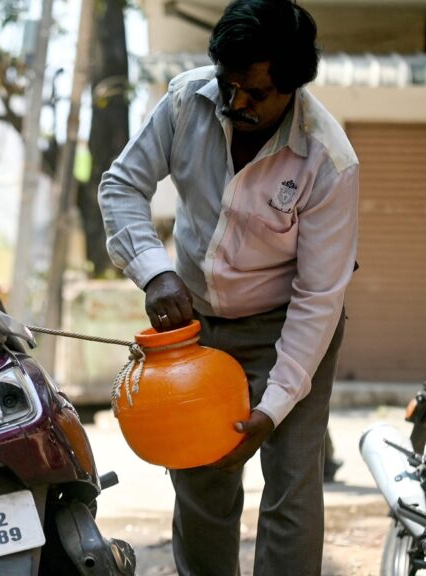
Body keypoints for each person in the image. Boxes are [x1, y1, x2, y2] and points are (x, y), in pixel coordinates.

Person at [98, 1, 358, 574]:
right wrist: (155, 270)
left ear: (292, 88)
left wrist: (272, 407)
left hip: (288, 327)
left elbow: (318, 298)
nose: (235, 103)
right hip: (198, 329)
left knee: (291, 486)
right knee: (201, 483)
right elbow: (121, 185)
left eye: (255, 93)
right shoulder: (185, 101)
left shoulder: (328, 161)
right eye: (227, 83)